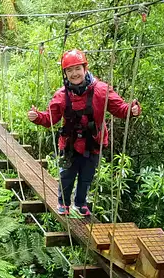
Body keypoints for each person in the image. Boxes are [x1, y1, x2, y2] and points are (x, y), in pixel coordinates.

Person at [27, 49, 140, 217]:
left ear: (85, 69)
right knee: (67, 176)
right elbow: (50, 118)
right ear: (65, 73)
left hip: (93, 143)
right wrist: (37, 117)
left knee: (86, 176)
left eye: (77, 68)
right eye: (69, 70)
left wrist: (132, 110)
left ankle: (80, 203)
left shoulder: (101, 91)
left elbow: (120, 108)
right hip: (70, 144)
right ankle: (63, 203)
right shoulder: (62, 96)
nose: (74, 73)